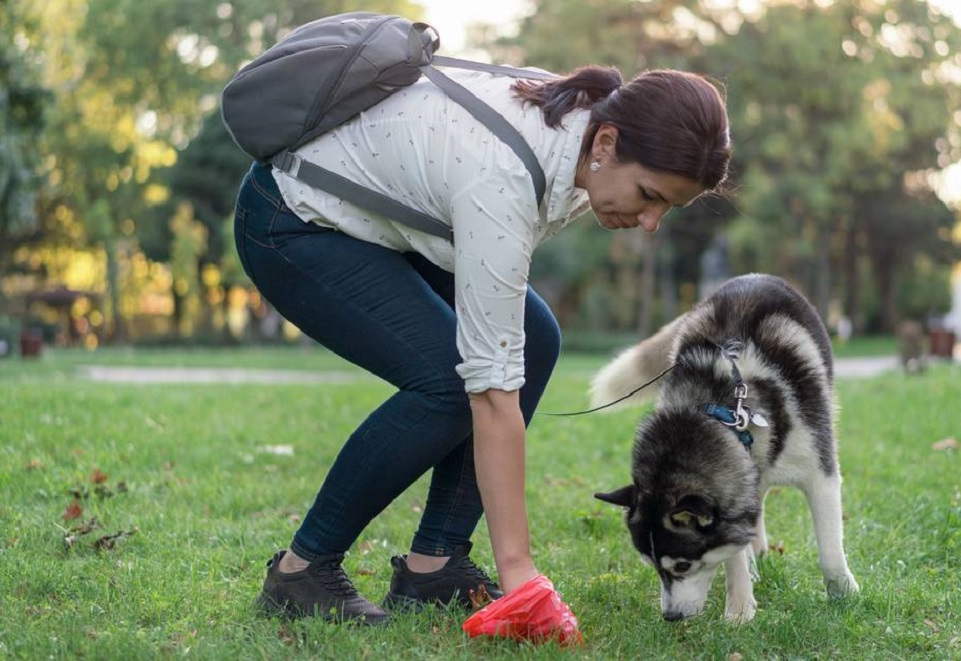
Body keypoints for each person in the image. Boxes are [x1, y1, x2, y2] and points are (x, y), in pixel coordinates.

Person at [235, 63, 731, 625]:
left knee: (535, 339)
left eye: (667, 207)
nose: (650, 222)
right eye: (648, 195)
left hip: (383, 224)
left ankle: (434, 566)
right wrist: (519, 571)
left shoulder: (582, 136)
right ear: (609, 143)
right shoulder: (506, 175)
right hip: (293, 220)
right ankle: (301, 574)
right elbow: (492, 394)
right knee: (449, 382)